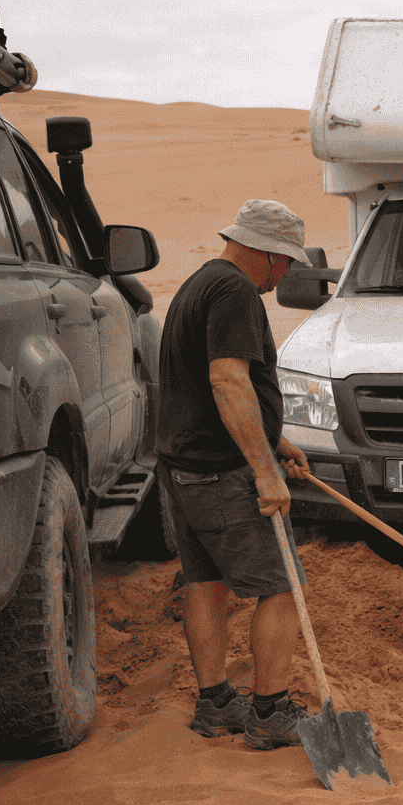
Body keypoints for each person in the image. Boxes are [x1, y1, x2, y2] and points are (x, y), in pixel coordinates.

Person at [160, 200, 314, 751]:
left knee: (206, 584)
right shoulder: (235, 293)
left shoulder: (200, 282)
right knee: (281, 587)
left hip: (185, 468)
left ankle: (217, 703)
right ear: (269, 255)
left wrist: (275, 438)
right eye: (287, 263)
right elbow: (228, 381)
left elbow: (207, 388)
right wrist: (264, 470)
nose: (288, 274)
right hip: (223, 474)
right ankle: (270, 712)